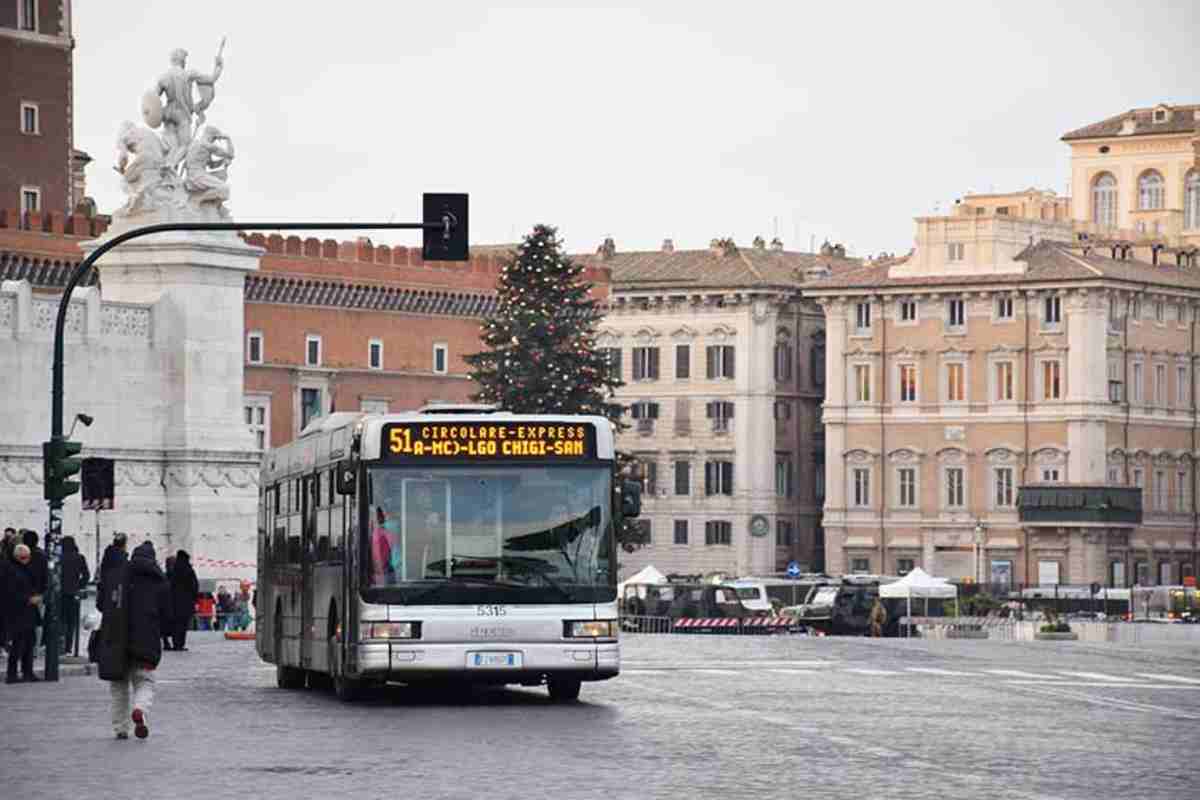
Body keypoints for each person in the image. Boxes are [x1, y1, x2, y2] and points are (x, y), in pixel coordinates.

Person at [98, 541, 169, 739]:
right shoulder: (159, 582)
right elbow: (166, 613)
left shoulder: (116, 577)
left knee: (118, 687)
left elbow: (101, 604)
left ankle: (120, 728)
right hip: (146, 641)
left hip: (116, 640)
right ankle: (140, 709)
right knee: (145, 681)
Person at [4, 544, 42, 683]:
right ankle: (12, 674)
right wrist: (28, 599)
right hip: (17, 612)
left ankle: (27, 671)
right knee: (18, 644)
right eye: (24, 557)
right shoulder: (10, 570)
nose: (27, 559)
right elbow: (9, 592)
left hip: (28, 612)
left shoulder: (24, 569)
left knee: (29, 642)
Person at [60, 536, 90, 656]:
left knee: (61, 620)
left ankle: (60, 646)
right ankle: (68, 648)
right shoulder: (80, 557)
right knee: (72, 622)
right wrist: (79, 585)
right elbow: (86, 575)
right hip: (74, 593)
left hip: (61, 593)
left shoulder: (60, 558)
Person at [168, 551, 198, 650]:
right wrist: (193, 599)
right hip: (186, 602)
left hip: (174, 602)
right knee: (183, 624)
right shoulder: (189, 570)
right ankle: (181, 644)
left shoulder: (173, 570)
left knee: (175, 624)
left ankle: (176, 644)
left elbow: (170, 586)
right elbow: (194, 586)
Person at [97, 533, 129, 614]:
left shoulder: (107, 556)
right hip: (117, 596)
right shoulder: (122, 559)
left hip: (105, 595)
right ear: (124, 545)